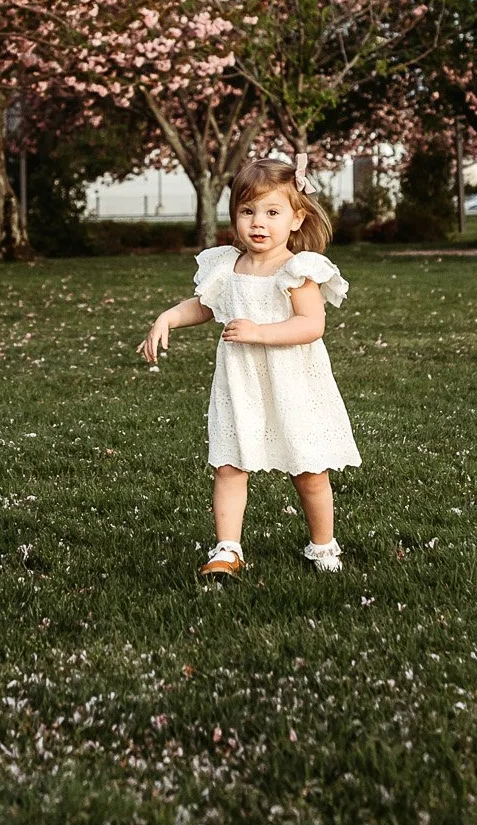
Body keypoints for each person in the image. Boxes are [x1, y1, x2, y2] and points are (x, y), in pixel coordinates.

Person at [138, 159, 358, 579]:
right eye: (247, 211)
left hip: (293, 383)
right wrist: (168, 317)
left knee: (309, 470)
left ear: (296, 218)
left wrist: (260, 331)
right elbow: (204, 305)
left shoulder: (297, 269)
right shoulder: (227, 266)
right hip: (241, 385)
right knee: (229, 464)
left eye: (273, 213)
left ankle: (322, 545)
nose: (259, 222)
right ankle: (228, 548)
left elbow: (312, 325)